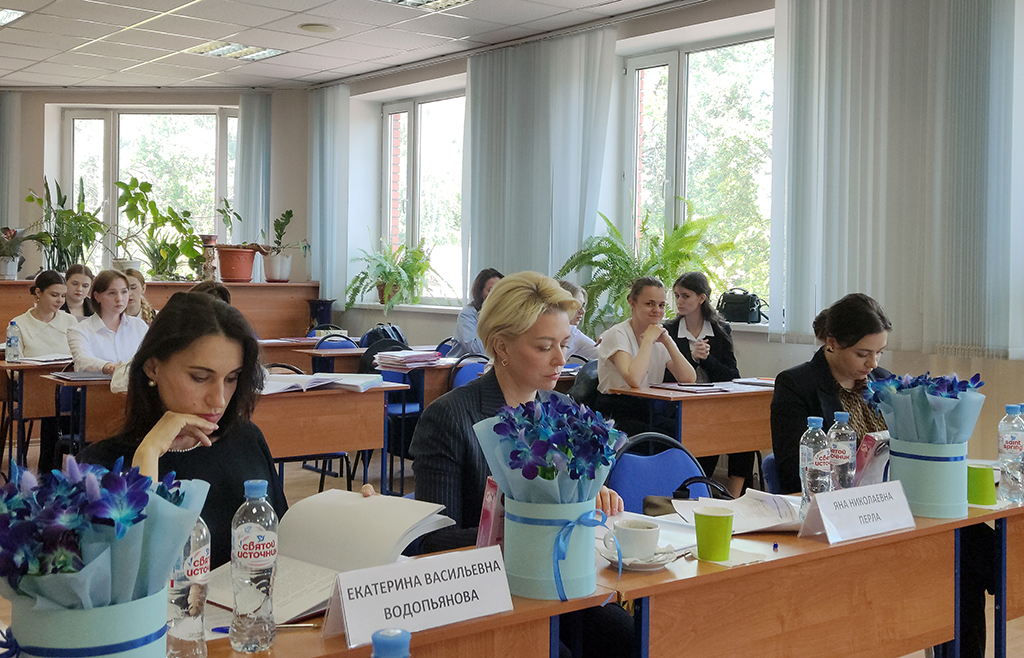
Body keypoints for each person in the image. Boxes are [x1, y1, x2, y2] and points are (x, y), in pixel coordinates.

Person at [409, 271, 631, 657]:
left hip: (557, 579)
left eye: (564, 344)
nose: (561, 359)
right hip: (483, 591)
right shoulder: (450, 417)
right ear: (502, 347)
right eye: (545, 347)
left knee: (635, 637)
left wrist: (591, 498)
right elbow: (429, 541)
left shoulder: (560, 411)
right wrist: (528, 532)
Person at [770, 293, 992, 658]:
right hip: (843, 515)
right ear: (832, 343)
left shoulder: (886, 382)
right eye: (863, 354)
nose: (873, 364)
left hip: (896, 507)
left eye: (879, 353)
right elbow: (791, 470)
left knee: (968, 547)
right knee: (957, 558)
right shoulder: (797, 385)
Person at [77, 292, 284, 568]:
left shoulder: (246, 438)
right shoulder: (102, 464)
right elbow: (127, 574)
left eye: (231, 378)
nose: (219, 399)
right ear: (152, 368)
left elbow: (283, 535)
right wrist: (148, 454)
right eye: (200, 378)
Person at [663, 271, 752, 497]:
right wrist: (691, 358)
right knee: (708, 431)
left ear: (701, 298)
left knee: (744, 429)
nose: (679, 301)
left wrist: (707, 360)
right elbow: (664, 376)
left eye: (686, 296)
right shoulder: (670, 330)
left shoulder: (720, 329)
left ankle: (733, 495)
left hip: (714, 401)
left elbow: (732, 375)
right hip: (682, 403)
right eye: (677, 296)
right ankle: (699, 489)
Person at [594, 277, 696, 436]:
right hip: (617, 412)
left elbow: (689, 379)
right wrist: (648, 340)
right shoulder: (618, 334)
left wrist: (668, 342)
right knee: (662, 439)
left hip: (647, 409)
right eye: (649, 304)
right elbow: (634, 380)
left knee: (691, 432)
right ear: (632, 303)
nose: (657, 310)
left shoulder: (659, 336)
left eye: (661, 305)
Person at [13, 270, 78, 472]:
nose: (60, 301)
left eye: (63, 296)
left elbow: (80, 356)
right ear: (38, 293)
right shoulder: (19, 324)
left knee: (75, 406)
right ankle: (48, 472)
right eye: (54, 295)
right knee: (53, 408)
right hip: (35, 388)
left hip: (67, 386)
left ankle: (73, 468)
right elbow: (13, 367)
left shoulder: (70, 321)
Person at [67, 269, 148, 374]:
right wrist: (108, 367)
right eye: (112, 293)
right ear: (97, 296)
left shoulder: (139, 326)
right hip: (96, 384)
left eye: (124, 292)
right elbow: (82, 360)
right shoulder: (79, 330)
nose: (119, 298)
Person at [448, 268, 502, 358]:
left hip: (492, 363)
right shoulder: (467, 314)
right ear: (480, 292)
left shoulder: (506, 314)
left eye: (500, 290)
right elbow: (477, 349)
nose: (496, 294)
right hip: (463, 364)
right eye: (491, 290)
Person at [557, 280, 599, 360]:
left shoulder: (573, 333)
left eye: (583, 306)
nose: (582, 311)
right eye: (577, 305)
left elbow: (605, 355)